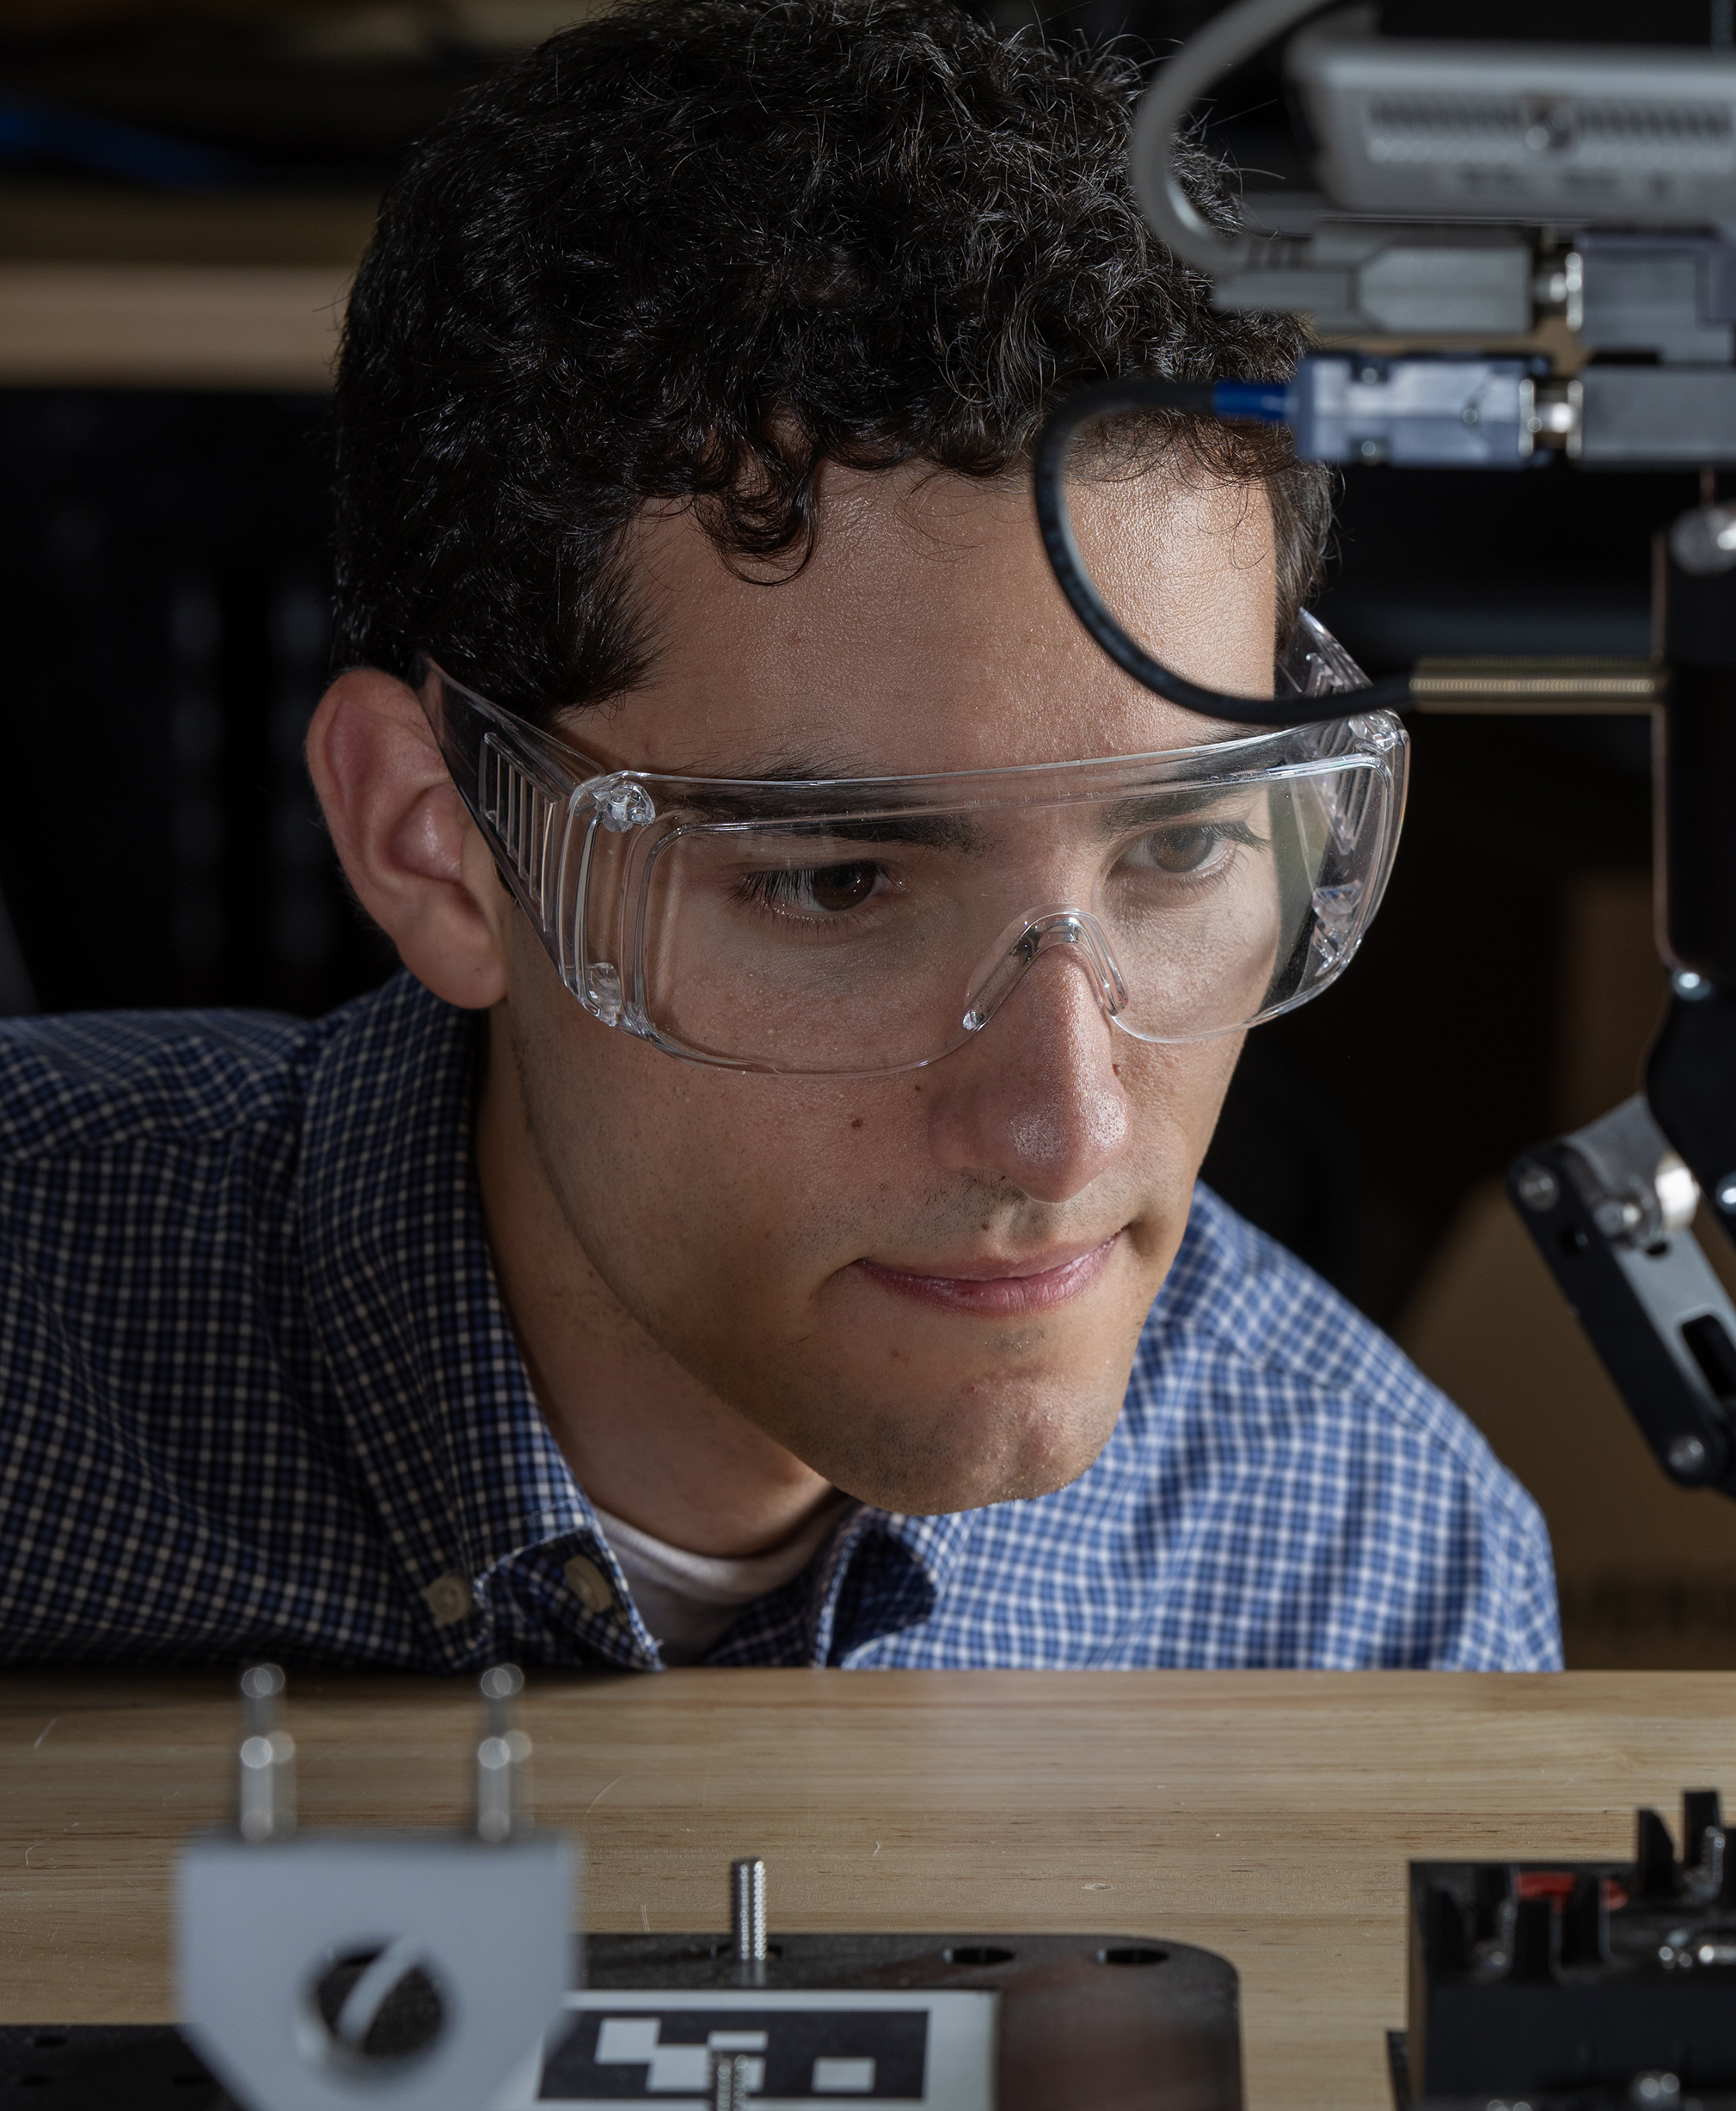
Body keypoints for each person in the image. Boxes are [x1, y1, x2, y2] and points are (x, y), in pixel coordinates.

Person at [0, 0, 1561, 1673]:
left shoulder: (1380, 1577)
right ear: (433, 837)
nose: (1062, 1131)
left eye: (1176, 851)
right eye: (837, 879)